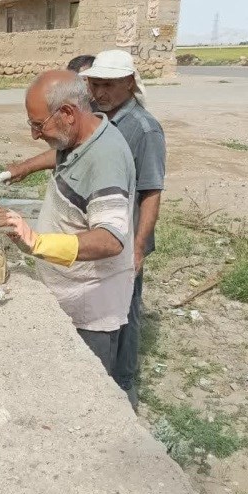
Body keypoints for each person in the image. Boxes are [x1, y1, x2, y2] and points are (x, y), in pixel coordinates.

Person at [0, 70, 135, 375]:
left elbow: (110, 240)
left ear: (68, 113)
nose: (34, 135)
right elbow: (60, 153)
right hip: (67, 292)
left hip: (90, 308)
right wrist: (25, 167)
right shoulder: (80, 135)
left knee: (87, 386)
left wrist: (38, 242)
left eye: (37, 125)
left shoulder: (106, 157)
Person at [80, 50, 166, 408]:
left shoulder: (143, 129)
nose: (100, 92)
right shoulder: (100, 118)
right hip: (103, 235)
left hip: (127, 238)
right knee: (101, 308)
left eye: (108, 85)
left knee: (126, 314)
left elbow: (151, 193)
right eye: (95, 84)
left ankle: (124, 389)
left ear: (129, 83)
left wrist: (139, 247)